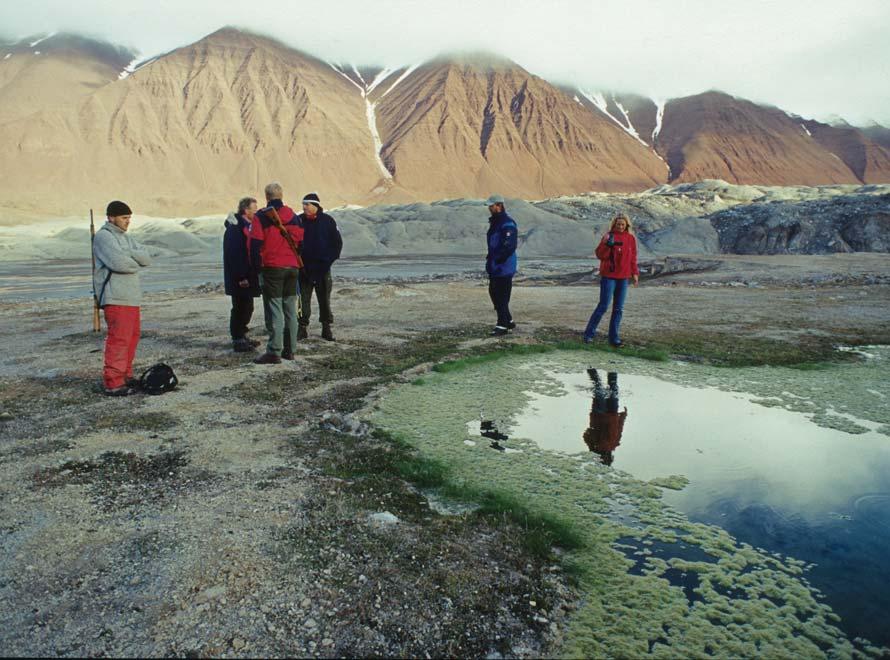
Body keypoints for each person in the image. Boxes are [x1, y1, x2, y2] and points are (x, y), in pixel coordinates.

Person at [92, 200, 151, 396]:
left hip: (131, 297)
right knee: (119, 340)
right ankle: (113, 382)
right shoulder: (103, 237)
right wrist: (133, 260)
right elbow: (121, 264)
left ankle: (125, 375)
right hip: (115, 297)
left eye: (129, 218)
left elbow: (146, 258)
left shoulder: (126, 238)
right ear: (111, 218)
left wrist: (129, 254)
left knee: (131, 338)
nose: (128, 222)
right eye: (124, 218)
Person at [249, 182, 304, 364]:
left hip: (272, 268)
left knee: (275, 309)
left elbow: (255, 244)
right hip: (292, 267)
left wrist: (256, 270)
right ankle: (290, 350)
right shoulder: (294, 217)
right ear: (281, 195)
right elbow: (300, 242)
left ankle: (274, 351)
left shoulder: (261, 217)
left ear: (267, 197)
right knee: (290, 308)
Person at [582, 212, 639, 347]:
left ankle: (614, 338)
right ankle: (588, 335)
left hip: (623, 278)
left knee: (618, 309)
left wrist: (634, 273)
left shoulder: (630, 238)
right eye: (618, 224)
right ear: (614, 224)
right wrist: (607, 244)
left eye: (623, 225)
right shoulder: (608, 236)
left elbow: (633, 258)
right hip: (609, 276)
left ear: (627, 226)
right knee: (603, 306)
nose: (620, 226)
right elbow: (599, 255)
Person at [297, 192, 342, 342]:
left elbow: (337, 244)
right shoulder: (299, 221)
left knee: (324, 299)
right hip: (304, 269)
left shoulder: (328, 221)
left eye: (307, 204)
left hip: (323, 269)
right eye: (303, 204)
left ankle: (326, 327)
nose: (304, 207)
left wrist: (327, 261)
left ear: (315, 206)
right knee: (303, 300)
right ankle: (302, 328)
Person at [223, 196, 262, 352]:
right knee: (240, 307)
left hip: (247, 275)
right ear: (246, 210)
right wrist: (241, 276)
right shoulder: (236, 227)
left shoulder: (247, 226)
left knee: (247, 307)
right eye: (255, 209)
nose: (257, 212)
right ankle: (238, 339)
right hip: (239, 277)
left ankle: (243, 335)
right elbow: (235, 254)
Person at [485, 194, 518, 337]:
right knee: (494, 292)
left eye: (492, 206)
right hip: (495, 264)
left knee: (501, 295)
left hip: (504, 265)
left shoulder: (507, 223)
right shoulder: (496, 222)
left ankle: (502, 325)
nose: (489, 208)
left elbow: (509, 245)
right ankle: (508, 320)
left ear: (499, 205)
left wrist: (499, 259)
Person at [582, 369, 627, 466]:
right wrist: (623, 417)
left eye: (604, 459)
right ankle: (612, 369)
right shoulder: (614, 444)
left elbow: (586, 434)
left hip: (599, 415)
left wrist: (594, 438)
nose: (605, 457)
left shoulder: (594, 446)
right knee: (613, 390)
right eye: (607, 459)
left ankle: (592, 369)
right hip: (612, 414)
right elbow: (619, 429)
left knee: (600, 390)